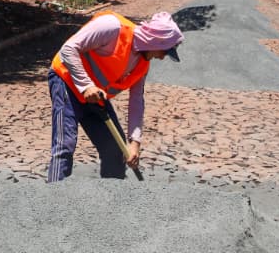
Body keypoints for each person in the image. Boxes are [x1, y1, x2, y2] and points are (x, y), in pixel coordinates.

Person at [47, 10, 184, 182]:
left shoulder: (142, 64)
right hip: (66, 80)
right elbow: (68, 49)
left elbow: (136, 102)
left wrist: (135, 142)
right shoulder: (112, 27)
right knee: (64, 146)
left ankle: (113, 201)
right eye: (164, 52)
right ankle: (53, 201)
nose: (163, 58)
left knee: (116, 150)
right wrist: (86, 85)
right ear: (155, 41)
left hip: (95, 96)